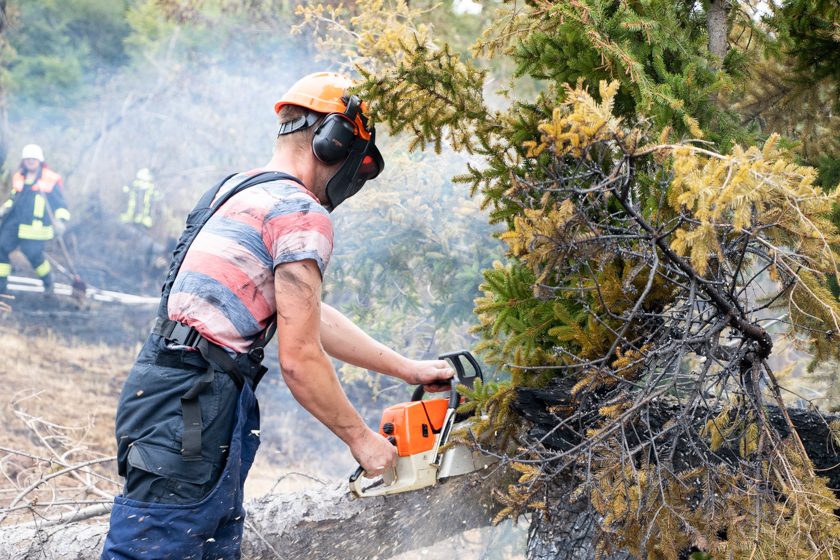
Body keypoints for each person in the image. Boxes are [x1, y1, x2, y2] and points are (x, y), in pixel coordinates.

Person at [101, 72, 454, 560]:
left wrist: (407, 368)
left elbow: (307, 316)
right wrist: (363, 441)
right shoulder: (297, 209)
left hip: (170, 390)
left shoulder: (236, 189)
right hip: (194, 407)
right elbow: (299, 357)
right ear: (333, 143)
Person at [0, 144, 70, 294]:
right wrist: (4, 209)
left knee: (33, 255)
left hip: (35, 227)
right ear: (23, 160)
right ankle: (1, 286)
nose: (30, 161)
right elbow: (15, 198)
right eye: (28, 158)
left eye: (34, 158)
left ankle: (48, 281)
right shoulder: (19, 177)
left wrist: (60, 221)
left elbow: (60, 205)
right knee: (1, 247)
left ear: (40, 160)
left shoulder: (50, 179)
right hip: (14, 224)